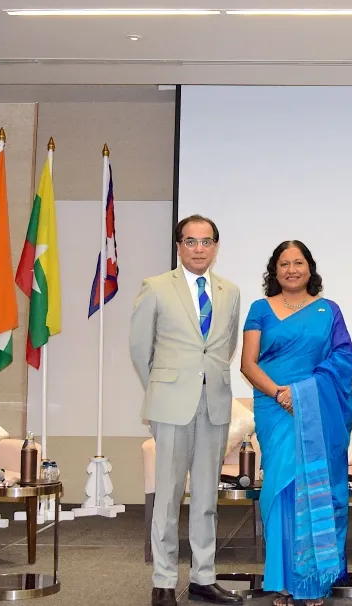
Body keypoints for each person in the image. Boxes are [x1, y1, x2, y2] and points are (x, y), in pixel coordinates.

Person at [130, 215, 243, 606]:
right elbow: (139, 348)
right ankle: (163, 581)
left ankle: (203, 578)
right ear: (179, 246)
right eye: (191, 241)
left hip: (215, 404)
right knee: (168, 497)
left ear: (216, 246)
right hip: (171, 405)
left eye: (206, 241)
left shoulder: (230, 291)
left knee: (207, 497)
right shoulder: (156, 287)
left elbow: (225, 348)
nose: (199, 249)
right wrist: (163, 388)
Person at [240, 240, 352, 606]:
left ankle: (313, 583)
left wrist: (303, 392)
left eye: (299, 262)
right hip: (274, 408)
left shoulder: (328, 310)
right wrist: (281, 394)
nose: (292, 269)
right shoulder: (260, 309)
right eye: (284, 263)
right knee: (280, 488)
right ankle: (285, 581)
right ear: (274, 271)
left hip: (315, 409)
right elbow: (248, 364)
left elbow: (344, 357)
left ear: (310, 268)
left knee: (314, 488)